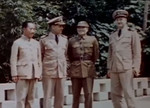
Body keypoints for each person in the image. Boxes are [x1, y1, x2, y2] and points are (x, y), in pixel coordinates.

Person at [107, 10, 141, 108]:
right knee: (115, 94)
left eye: (121, 19)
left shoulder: (132, 34)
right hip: (114, 69)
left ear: (126, 20)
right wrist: (109, 68)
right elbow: (110, 54)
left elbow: (137, 52)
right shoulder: (112, 35)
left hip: (127, 68)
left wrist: (136, 67)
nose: (119, 22)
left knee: (128, 94)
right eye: (117, 20)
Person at [10, 21, 42, 108]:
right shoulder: (17, 43)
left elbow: (39, 59)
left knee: (31, 98)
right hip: (22, 74)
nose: (33, 31)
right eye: (30, 29)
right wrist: (14, 74)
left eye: (34, 29)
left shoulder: (36, 43)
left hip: (34, 74)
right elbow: (13, 59)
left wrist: (39, 73)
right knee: (21, 98)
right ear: (24, 29)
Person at [68, 21, 99, 108]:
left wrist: (88, 62)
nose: (81, 29)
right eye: (79, 27)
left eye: (83, 27)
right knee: (75, 94)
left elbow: (95, 55)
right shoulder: (71, 40)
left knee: (88, 93)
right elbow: (69, 55)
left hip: (88, 69)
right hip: (75, 69)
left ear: (87, 29)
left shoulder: (92, 39)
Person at [40, 16, 68, 108]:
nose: (62, 28)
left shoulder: (64, 39)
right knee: (48, 96)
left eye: (62, 26)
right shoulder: (44, 40)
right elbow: (40, 56)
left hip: (61, 71)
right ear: (52, 26)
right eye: (59, 26)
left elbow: (65, 55)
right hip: (48, 71)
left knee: (60, 97)